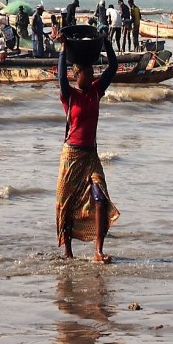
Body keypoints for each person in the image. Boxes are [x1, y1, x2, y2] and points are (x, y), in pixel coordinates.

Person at [56, 31, 120, 263]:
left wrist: (107, 44)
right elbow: (61, 78)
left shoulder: (96, 91)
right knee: (67, 204)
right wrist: (63, 50)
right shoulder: (69, 95)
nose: (93, 76)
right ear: (77, 75)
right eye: (89, 72)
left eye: (93, 72)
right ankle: (68, 253)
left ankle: (98, 251)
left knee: (100, 198)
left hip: (91, 155)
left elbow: (112, 67)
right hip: (71, 155)